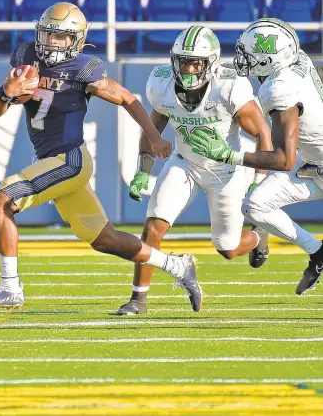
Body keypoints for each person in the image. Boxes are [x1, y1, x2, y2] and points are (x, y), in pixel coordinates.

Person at [0, 2, 202, 311]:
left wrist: (155, 137)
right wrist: (6, 92)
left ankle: (10, 288)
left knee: (0, 202)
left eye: (60, 37)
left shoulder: (82, 67)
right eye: (47, 35)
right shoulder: (26, 57)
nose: (51, 43)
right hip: (55, 162)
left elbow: (128, 99)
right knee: (105, 240)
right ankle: (177, 266)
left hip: (70, 160)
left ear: (76, 40)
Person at [114, 26, 272, 315]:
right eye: (183, 61)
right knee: (153, 226)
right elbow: (154, 128)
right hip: (184, 163)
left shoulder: (229, 86)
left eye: (195, 62)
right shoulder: (162, 84)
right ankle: (138, 299)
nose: (188, 68)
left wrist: (257, 182)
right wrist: (143, 169)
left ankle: (258, 238)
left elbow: (264, 134)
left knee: (228, 248)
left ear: (210, 63)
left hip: (227, 170)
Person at [187, 18, 323, 295]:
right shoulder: (299, 59)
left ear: (269, 59)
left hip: (309, 163)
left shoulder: (278, 89)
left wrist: (229, 155)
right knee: (256, 205)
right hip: (313, 165)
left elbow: (283, 160)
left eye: (249, 56)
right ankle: (318, 253)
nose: (242, 60)